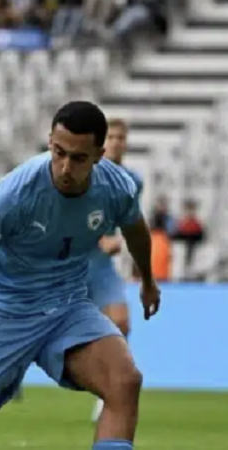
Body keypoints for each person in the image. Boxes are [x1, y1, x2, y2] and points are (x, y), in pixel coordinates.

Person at [0, 101, 160, 450]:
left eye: (78, 158)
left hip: (68, 307)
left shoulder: (116, 186)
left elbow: (136, 229)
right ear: (49, 142)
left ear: (99, 155)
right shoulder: (16, 194)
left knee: (125, 382)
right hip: (6, 311)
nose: (65, 167)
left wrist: (147, 280)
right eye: (59, 152)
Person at [86, 118, 143, 422]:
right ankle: (8, 375)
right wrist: (99, 238)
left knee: (122, 323)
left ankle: (108, 391)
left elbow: (132, 222)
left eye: (122, 137)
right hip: (73, 260)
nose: (118, 142)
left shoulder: (133, 179)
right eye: (113, 137)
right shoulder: (88, 173)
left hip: (101, 265)